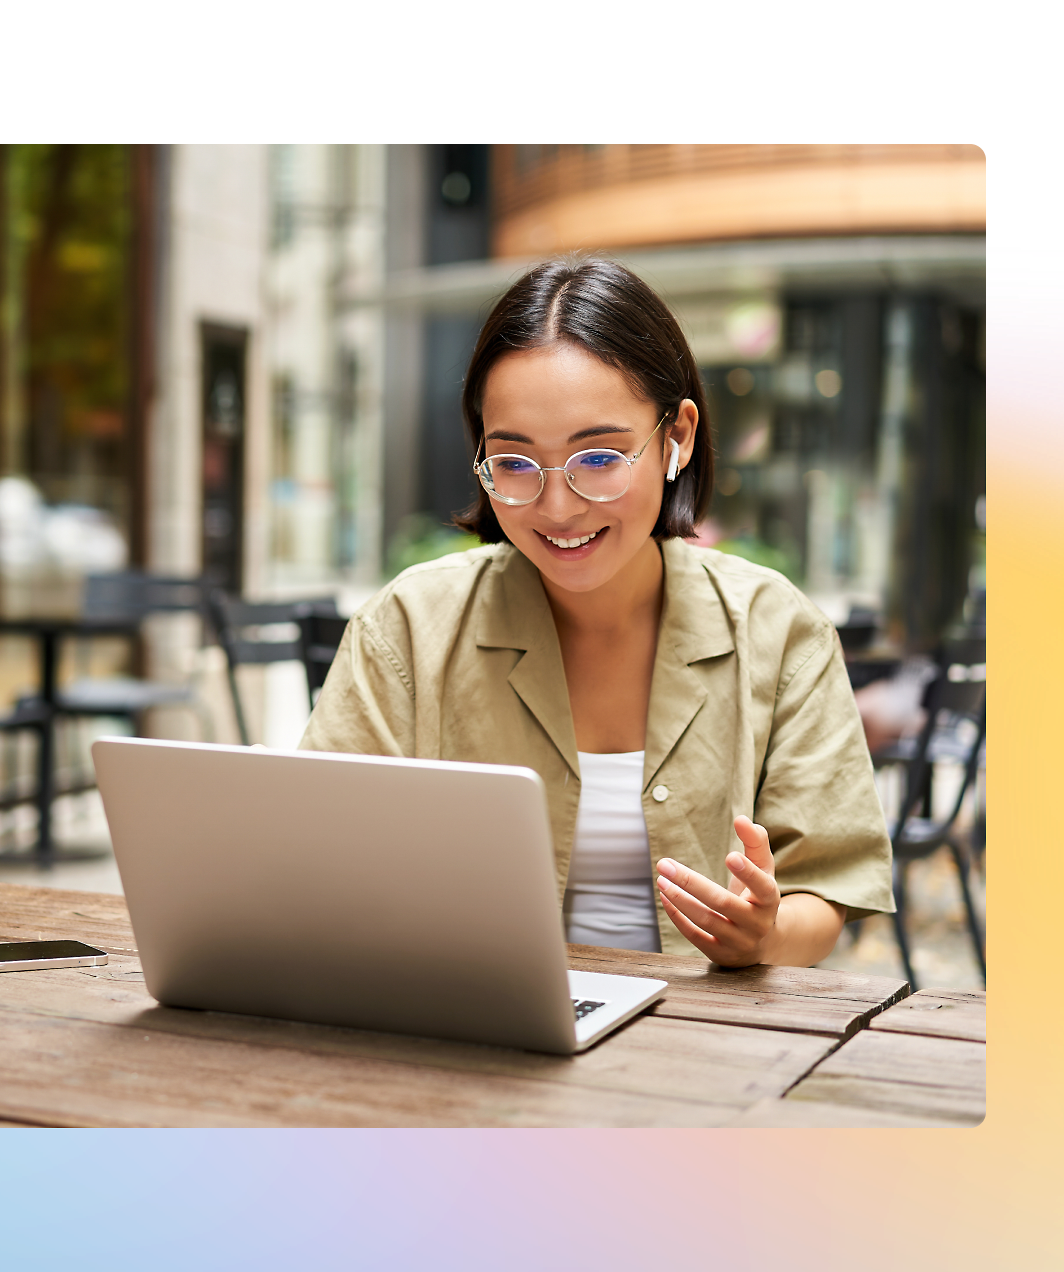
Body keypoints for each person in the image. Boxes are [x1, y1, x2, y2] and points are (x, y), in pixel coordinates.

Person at [300, 258, 893, 967]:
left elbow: (822, 889)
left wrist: (763, 935)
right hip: (471, 1036)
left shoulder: (780, 632)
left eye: (599, 458)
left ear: (677, 438)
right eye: (515, 464)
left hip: (702, 1048)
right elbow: (319, 865)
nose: (557, 507)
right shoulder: (406, 631)